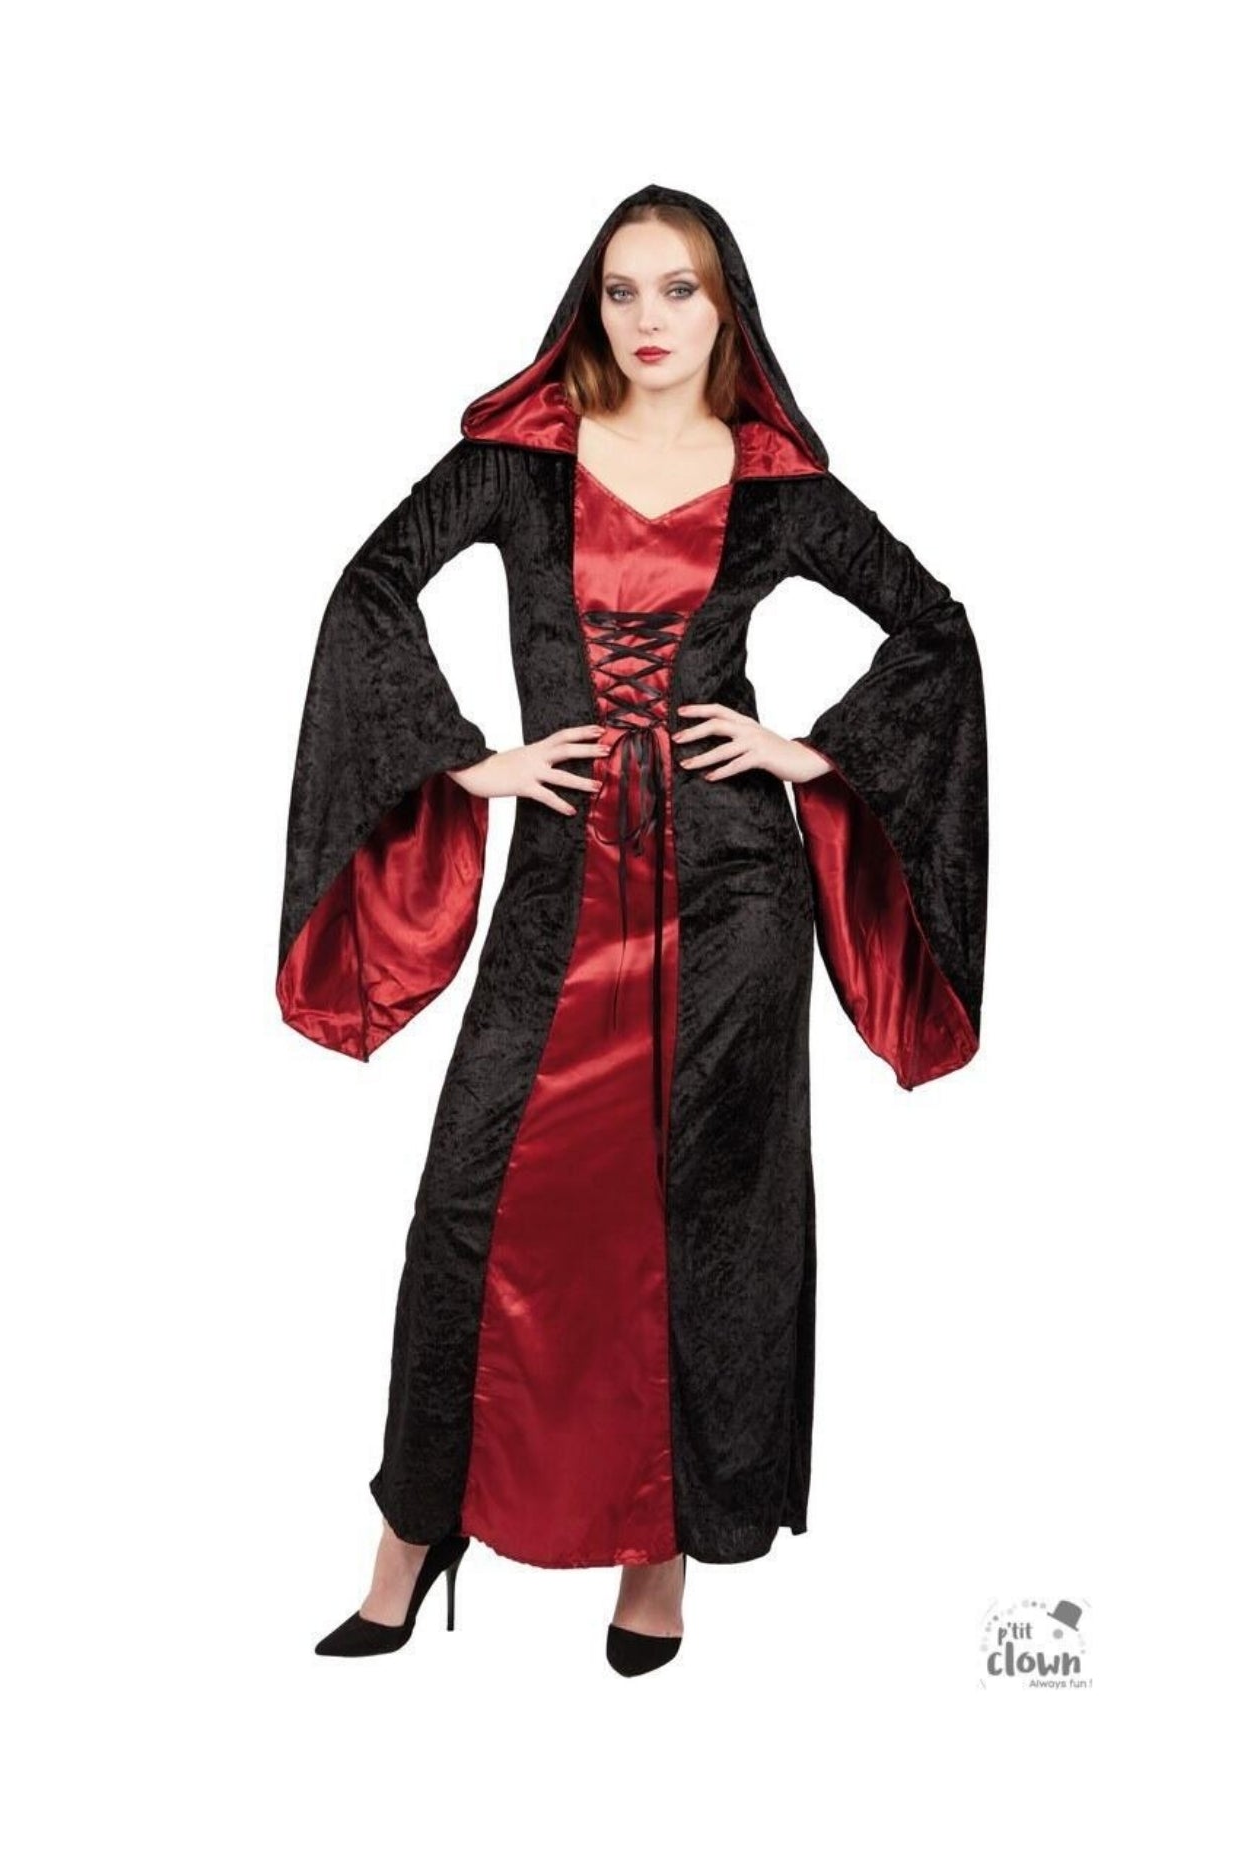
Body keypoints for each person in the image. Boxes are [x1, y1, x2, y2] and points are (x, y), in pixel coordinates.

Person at [277, 182, 988, 1676]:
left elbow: (935, 626)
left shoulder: (775, 484)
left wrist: (811, 752)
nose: (650, 318)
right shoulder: (521, 463)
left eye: (681, 290)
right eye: (622, 290)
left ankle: (656, 1569)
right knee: (470, 1208)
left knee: (703, 1222)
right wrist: (468, 760)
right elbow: (371, 587)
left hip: (732, 902)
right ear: (589, 307)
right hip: (561, 890)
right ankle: (411, 1543)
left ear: (727, 309)